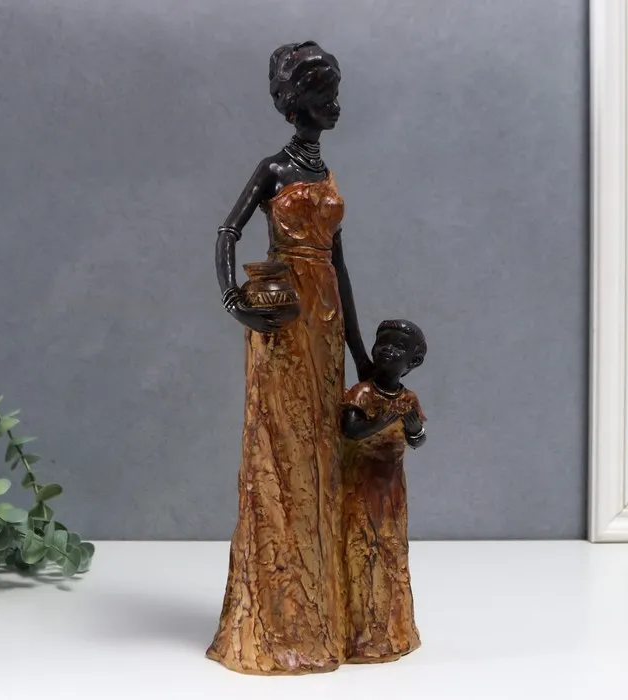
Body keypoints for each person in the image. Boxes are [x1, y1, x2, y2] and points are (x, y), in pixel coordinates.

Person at [208, 41, 372, 675]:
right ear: (295, 103)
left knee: (321, 450)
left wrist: (359, 351)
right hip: (282, 321)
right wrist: (234, 300)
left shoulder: (326, 174)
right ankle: (275, 620)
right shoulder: (274, 169)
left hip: (324, 322)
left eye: (336, 94)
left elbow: (341, 264)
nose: (336, 106)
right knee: (280, 450)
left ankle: (321, 613)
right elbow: (228, 230)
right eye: (326, 95)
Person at [340, 319, 427, 663]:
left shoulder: (408, 399)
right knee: (360, 548)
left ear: (413, 362)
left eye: (398, 348)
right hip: (359, 485)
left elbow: (418, 441)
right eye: (383, 343)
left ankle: (392, 629)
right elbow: (350, 430)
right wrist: (385, 419)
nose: (388, 351)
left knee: (389, 551)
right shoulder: (363, 393)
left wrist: (414, 428)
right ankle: (357, 630)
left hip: (390, 490)